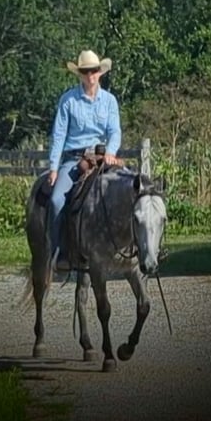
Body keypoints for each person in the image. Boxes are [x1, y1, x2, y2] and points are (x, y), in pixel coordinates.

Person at [47, 50, 122, 271]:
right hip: (74, 159)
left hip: (101, 157)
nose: (91, 75)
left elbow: (114, 131)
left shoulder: (109, 101)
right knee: (56, 201)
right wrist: (53, 167)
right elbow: (58, 135)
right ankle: (59, 251)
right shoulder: (67, 100)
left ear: (100, 73)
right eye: (86, 71)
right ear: (80, 74)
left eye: (94, 71)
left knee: (131, 191)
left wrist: (111, 151)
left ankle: (129, 247)